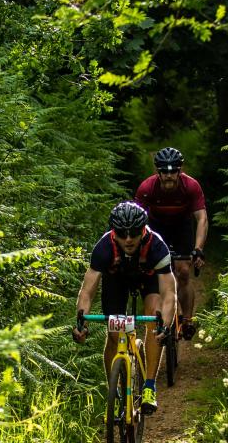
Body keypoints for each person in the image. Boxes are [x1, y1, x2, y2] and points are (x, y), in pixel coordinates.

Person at [72, 201, 177, 414]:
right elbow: (87, 290)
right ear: (114, 232)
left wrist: (165, 325)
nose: (128, 239)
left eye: (134, 233)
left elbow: (169, 293)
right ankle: (115, 389)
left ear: (143, 230)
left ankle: (149, 387)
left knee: (154, 319)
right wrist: (80, 322)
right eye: (122, 233)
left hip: (149, 281)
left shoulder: (157, 247)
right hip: (116, 281)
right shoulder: (103, 248)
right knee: (113, 334)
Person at [135, 147, 208, 340]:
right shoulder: (147, 187)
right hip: (157, 227)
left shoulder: (191, 186)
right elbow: (137, 221)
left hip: (182, 227)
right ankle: (159, 310)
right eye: (164, 172)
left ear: (179, 171)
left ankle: (187, 320)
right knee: (153, 272)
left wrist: (198, 249)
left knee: (183, 271)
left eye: (173, 171)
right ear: (158, 172)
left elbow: (201, 219)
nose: (169, 176)